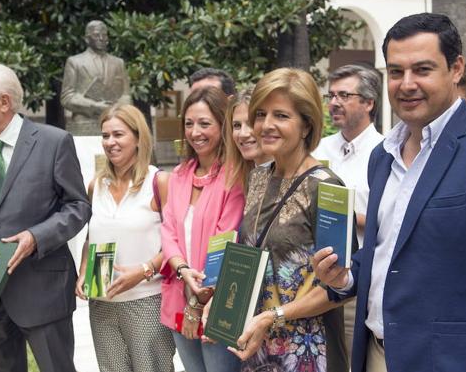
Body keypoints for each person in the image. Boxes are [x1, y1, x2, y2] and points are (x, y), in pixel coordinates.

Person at [313, 13, 466, 372]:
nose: (406, 84)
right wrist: (345, 277)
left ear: (455, 69)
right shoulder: (382, 157)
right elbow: (386, 250)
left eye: (422, 69)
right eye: (395, 72)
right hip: (374, 355)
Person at [0, 64, 91, 372]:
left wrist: (36, 237)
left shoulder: (54, 142)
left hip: (43, 291)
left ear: (4, 102)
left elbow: (78, 206)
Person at [229, 68, 349, 372]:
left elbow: (340, 287)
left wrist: (275, 316)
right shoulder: (257, 177)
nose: (266, 125)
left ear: (307, 125)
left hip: (309, 350)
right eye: (261, 114)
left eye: (281, 116)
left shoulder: (326, 186)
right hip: (259, 344)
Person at [75, 104, 175, 372]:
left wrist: (144, 271)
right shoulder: (96, 185)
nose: (110, 142)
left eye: (118, 135)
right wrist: (85, 270)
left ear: (138, 138)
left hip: (147, 300)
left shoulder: (160, 182)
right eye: (105, 135)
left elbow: (177, 245)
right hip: (102, 304)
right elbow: (89, 238)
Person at [160, 86, 245, 372]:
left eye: (205, 123)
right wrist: (184, 271)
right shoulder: (180, 175)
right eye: (189, 123)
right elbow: (168, 229)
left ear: (222, 125)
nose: (195, 132)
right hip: (179, 294)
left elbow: (226, 237)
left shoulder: (234, 176)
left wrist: (199, 297)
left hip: (217, 301)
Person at [312, 64, 384, 363]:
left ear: (369, 103)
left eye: (345, 95)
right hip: (313, 277)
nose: (334, 102)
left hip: (356, 281)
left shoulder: (385, 152)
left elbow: (394, 220)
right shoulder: (320, 149)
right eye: (331, 95)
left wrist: (350, 218)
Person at [61, 20, 131, 133]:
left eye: (104, 35)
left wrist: (116, 108)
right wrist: (95, 106)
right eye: (96, 35)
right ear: (87, 39)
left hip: (114, 120)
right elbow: (67, 97)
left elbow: (126, 94)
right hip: (84, 122)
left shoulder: (118, 63)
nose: (101, 38)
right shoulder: (75, 62)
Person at [224, 86, 272, 189]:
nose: (243, 134)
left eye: (251, 123)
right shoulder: (244, 178)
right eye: (237, 125)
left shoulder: (297, 179)